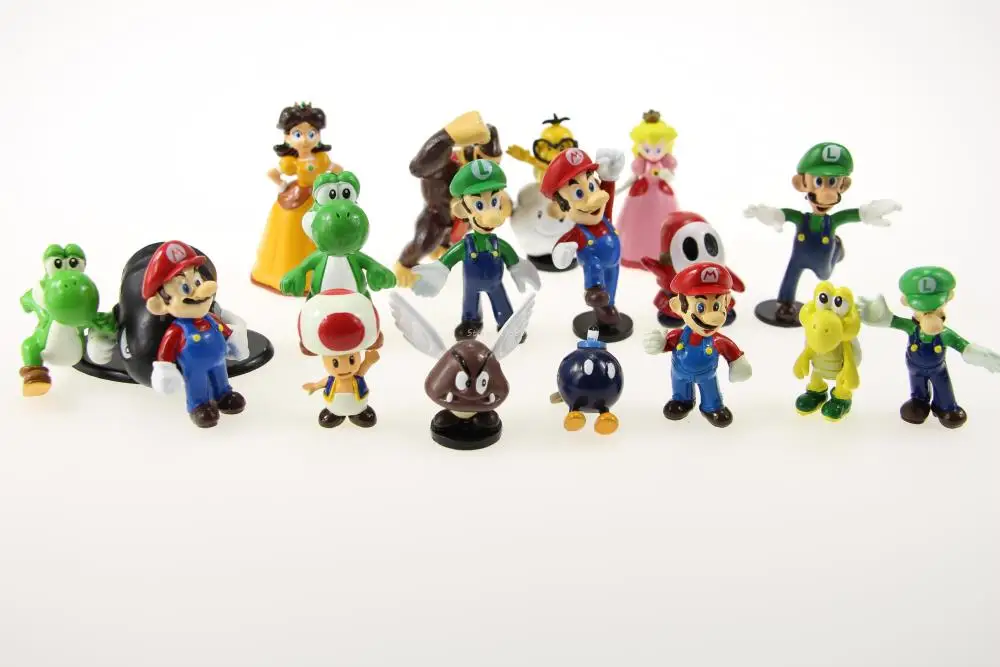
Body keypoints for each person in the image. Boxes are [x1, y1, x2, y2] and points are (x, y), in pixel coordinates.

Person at [251, 102, 341, 292]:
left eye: (311, 134)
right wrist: (283, 185)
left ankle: (325, 273)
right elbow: (272, 173)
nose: (305, 140)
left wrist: (337, 183)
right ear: (287, 137)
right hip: (298, 198)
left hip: (319, 195)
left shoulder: (321, 159)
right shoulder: (290, 162)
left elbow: (336, 169)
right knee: (292, 232)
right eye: (298, 134)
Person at [616, 110, 679, 269]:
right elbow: (633, 178)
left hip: (661, 196)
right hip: (641, 196)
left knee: (662, 224)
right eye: (647, 150)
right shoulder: (640, 164)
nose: (653, 154)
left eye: (658, 150)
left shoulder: (665, 163)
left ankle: (663, 253)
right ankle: (635, 253)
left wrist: (665, 174)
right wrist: (619, 189)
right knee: (637, 224)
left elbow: (670, 176)